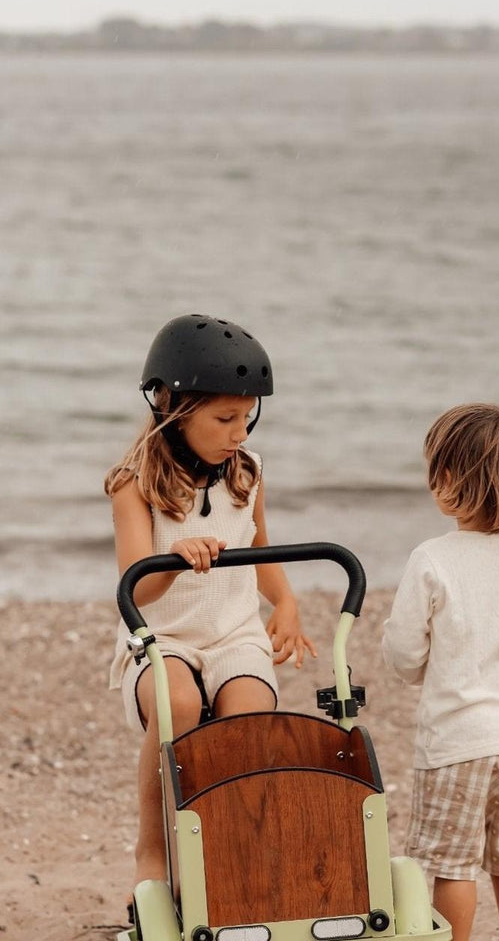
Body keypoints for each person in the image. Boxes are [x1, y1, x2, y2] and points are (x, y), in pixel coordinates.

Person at [105, 313, 316, 896]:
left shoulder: (246, 474)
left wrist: (285, 600)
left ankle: (231, 849)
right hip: (161, 639)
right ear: (173, 406)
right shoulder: (134, 484)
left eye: (246, 419)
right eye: (225, 419)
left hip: (231, 634)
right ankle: (154, 851)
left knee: (250, 717)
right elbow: (135, 587)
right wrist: (173, 561)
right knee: (178, 704)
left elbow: (260, 549)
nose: (238, 434)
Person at [382, 402, 499, 941]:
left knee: (453, 865)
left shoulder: (433, 559)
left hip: (456, 740)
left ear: (450, 480)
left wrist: (417, 665)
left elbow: (407, 654)